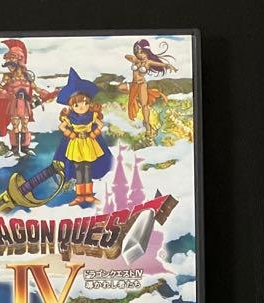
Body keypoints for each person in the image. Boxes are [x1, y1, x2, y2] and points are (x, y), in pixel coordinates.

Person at [53, 69, 113, 206]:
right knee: (79, 169)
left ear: (89, 103)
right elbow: (62, 127)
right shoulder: (69, 118)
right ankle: (80, 196)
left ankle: (89, 195)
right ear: (71, 105)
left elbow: (100, 124)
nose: (82, 107)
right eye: (77, 104)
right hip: (76, 145)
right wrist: (70, 134)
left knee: (87, 169)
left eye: (85, 103)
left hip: (89, 144)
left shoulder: (92, 116)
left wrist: (94, 133)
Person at [122, 39, 177, 138]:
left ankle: (147, 124)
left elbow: (162, 65)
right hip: (133, 84)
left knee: (144, 106)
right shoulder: (135, 59)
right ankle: (137, 98)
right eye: (137, 51)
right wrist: (135, 59)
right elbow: (126, 56)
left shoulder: (148, 62)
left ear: (146, 52)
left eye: (141, 52)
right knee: (120, 87)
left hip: (142, 84)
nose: (139, 54)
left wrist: (168, 66)